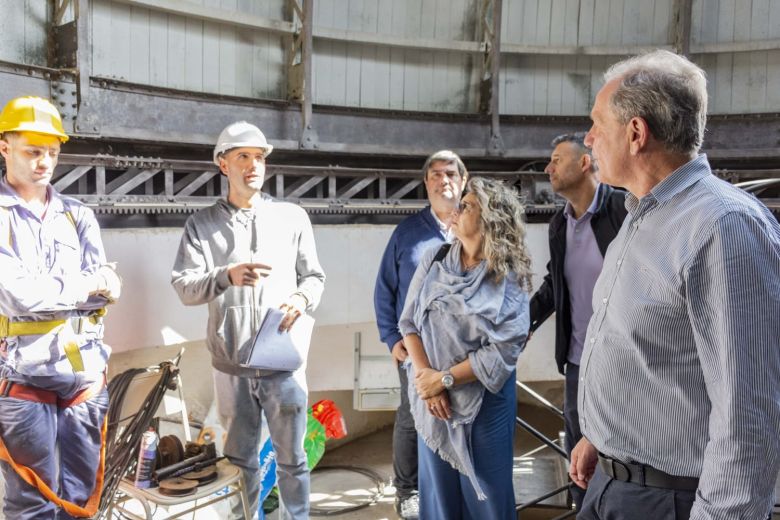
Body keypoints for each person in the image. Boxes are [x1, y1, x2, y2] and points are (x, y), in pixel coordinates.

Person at [570, 49, 780, 519]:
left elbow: (749, 414)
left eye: (597, 124)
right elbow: (650, 357)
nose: (589, 139)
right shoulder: (642, 214)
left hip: (669, 501)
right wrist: (602, 440)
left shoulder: (722, 226)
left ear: (636, 133)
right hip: (612, 481)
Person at [171, 121, 325, 519]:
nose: (253, 164)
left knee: (293, 462)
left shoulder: (292, 218)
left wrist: (300, 297)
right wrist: (226, 275)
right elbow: (185, 287)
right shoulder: (202, 226)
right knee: (241, 463)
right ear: (223, 164)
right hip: (232, 368)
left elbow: (314, 278)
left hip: (283, 366)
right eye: (243, 156)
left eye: (259, 157)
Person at [0, 96, 121, 519]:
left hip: (83, 379)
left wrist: (89, 286)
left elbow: (107, 290)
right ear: (5, 147)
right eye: (33, 151)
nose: (43, 162)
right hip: (21, 378)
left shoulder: (77, 215)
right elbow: (16, 296)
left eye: (51, 152)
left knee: (80, 498)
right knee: (33, 502)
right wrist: (88, 284)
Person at [398, 177, 533, 519]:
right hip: (433, 403)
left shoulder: (508, 276)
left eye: (467, 206)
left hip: (483, 403)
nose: (456, 211)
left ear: (492, 218)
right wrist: (428, 382)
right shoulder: (435, 258)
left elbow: (503, 349)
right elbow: (409, 323)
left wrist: (444, 380)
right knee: (440, 499)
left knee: (486, 498)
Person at [528, 133, 627, 509]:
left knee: (621, 452)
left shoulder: (622, 209)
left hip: (621, 362)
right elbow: (554, 286)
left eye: (556, 159)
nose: (547, 168)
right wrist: (525, 324)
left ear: (584, 163)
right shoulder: (558, 224)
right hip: (577, 363)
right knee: (578, 460)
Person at [373, 149, 467, 519]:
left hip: (462, 351)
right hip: (415, 350)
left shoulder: (474, 228)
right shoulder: (407, 233)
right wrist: (390, 338)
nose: (443, 180)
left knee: (459, 415)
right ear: (426, 183)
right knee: (412, 418)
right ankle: (408, 490)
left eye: (450, 174)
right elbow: (385, 290)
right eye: (435, 175)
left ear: (463, 181)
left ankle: (452, 484)